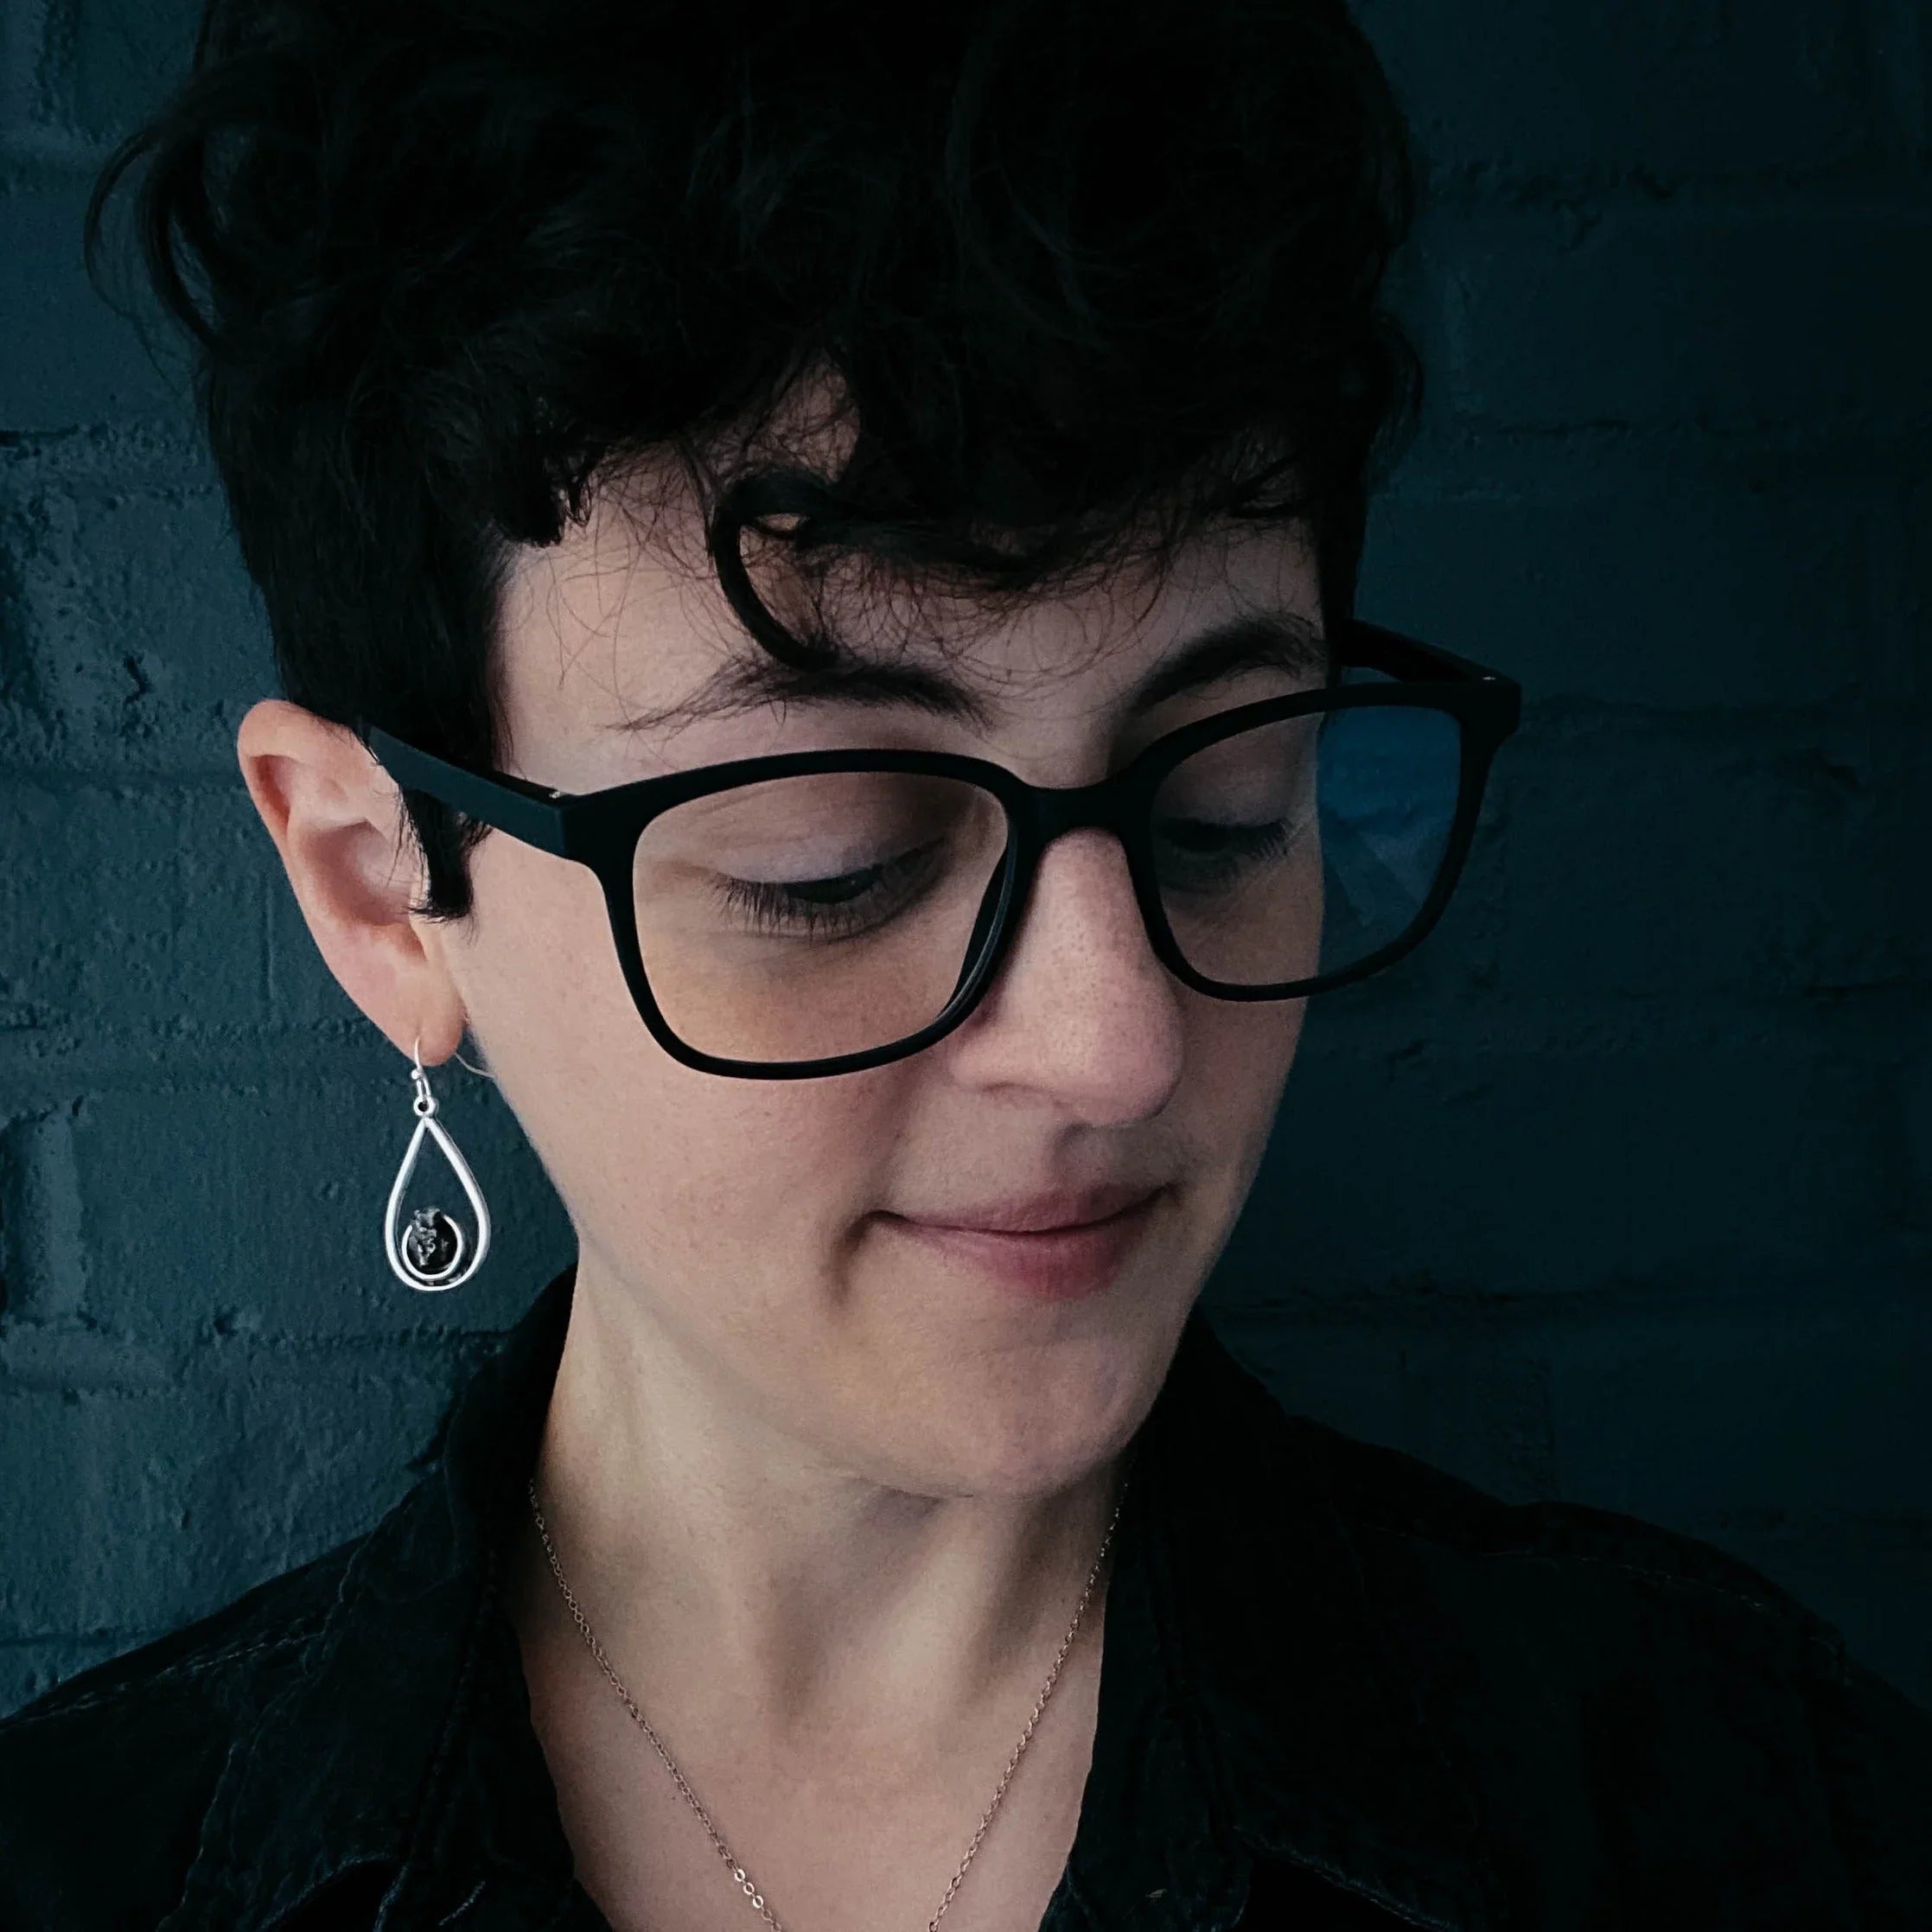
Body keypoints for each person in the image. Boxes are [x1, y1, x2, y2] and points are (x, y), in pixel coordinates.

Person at [2, 0, 1929, 1927]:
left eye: (1224, 810)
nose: (1116, 1043)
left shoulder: (1739, 1817)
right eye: (826, 866)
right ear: (376, 886)